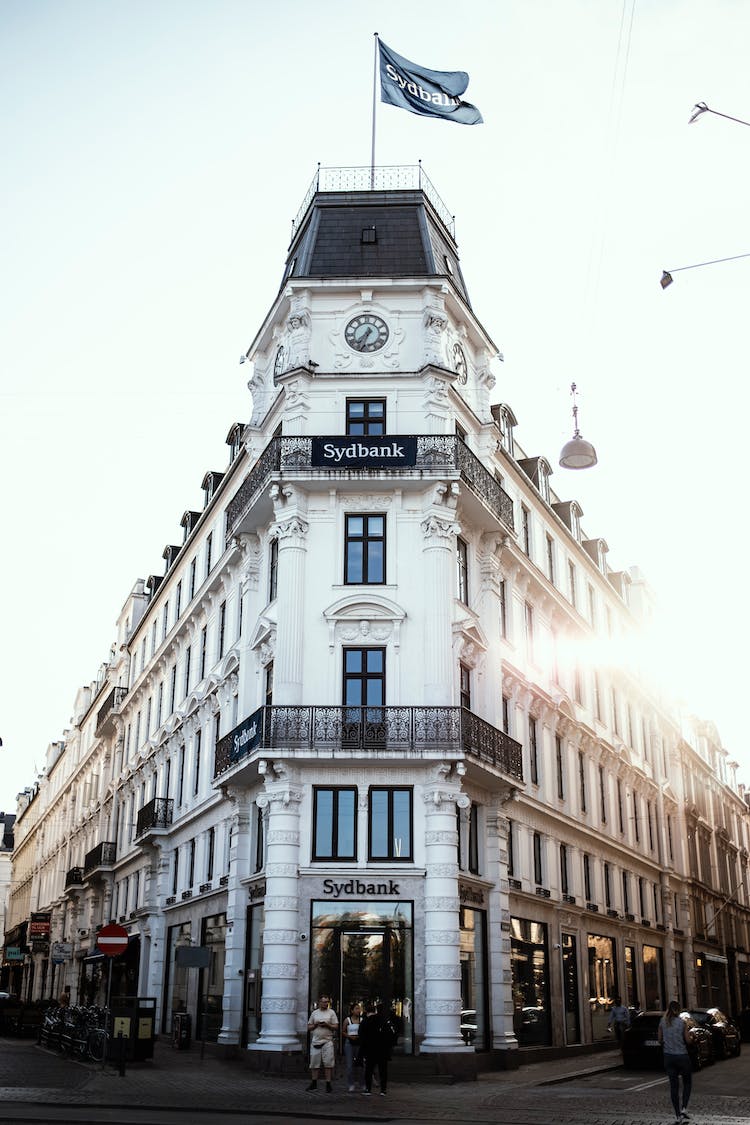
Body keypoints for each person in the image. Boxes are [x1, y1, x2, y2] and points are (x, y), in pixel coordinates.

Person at [658, 1000, 694, 1124]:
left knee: (674, 1087)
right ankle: (684, 1108)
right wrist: (691, 1038)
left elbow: (659, 1040)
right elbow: (688, 1041)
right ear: (679, 1010)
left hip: (669, 1057)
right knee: (687, 1082)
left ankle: (678, 1115)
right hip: (682, 1056)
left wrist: (667, 1044)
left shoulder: (662, 1022)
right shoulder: (682, 1023)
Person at [359, 1001, 399, 1097]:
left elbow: (362, 1036)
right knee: (383, 1070)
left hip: (370, 1050)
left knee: (369, 1070)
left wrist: (363, 1050)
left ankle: (368, 1089)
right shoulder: (383, 1021)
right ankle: (383, 1090)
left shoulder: (365, 1022)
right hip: (382, 1050)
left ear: (366, 1012)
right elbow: (391, 1034)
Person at [306, 994, 338, 1093]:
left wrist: (327, 1025)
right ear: (319, 1002)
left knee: (328, 1063)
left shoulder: (331, 1012)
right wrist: (316, 1024)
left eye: (327, 1002)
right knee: (314, 1064)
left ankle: (328, 1083)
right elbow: (309, 1027)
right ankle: (314, 1083)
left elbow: (336, 1026)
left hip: (327, 1041)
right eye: (323, 1002)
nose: (325, 1004)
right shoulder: (314, 1013)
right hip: (316, 1041)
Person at [342, 1001, 363, 1092]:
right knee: (350, 1065)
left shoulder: (362, 1020)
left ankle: (362, 1083)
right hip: (349, 1043)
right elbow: (343, 1031)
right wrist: (349, 1036)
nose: (358, 1010)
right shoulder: (347, 1020)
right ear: (352, 1010)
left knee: (361, 1065)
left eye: (359, 1008)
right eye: (356, 1008)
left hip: (359, 1043)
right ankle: (351, 1084)